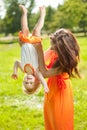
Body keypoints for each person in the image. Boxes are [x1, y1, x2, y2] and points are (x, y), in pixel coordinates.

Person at [33, 28, 80, 130]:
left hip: (60, 94)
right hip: (52, 90)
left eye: (54, 47)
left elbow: (45, 73)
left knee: (60, 124)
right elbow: (43, 59)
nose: (52, 49)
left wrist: (39, 49)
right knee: (50, 122)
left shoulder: (64, 63)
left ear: (62, 49)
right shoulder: (57, 50)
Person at [11, 5, 49, 94]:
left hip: (25, 43)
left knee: (25, 29)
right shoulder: (36, 72)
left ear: (23, 80)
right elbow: (42, 79)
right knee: (36, 30)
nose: (28, 81)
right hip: (35, 44)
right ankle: (43, 14)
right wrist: (45, 86)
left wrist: (15, 72)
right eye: (31, 83)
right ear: (36, 81)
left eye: (26, 82)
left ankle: (24, 12)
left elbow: (16, 62)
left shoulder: (23, 69)